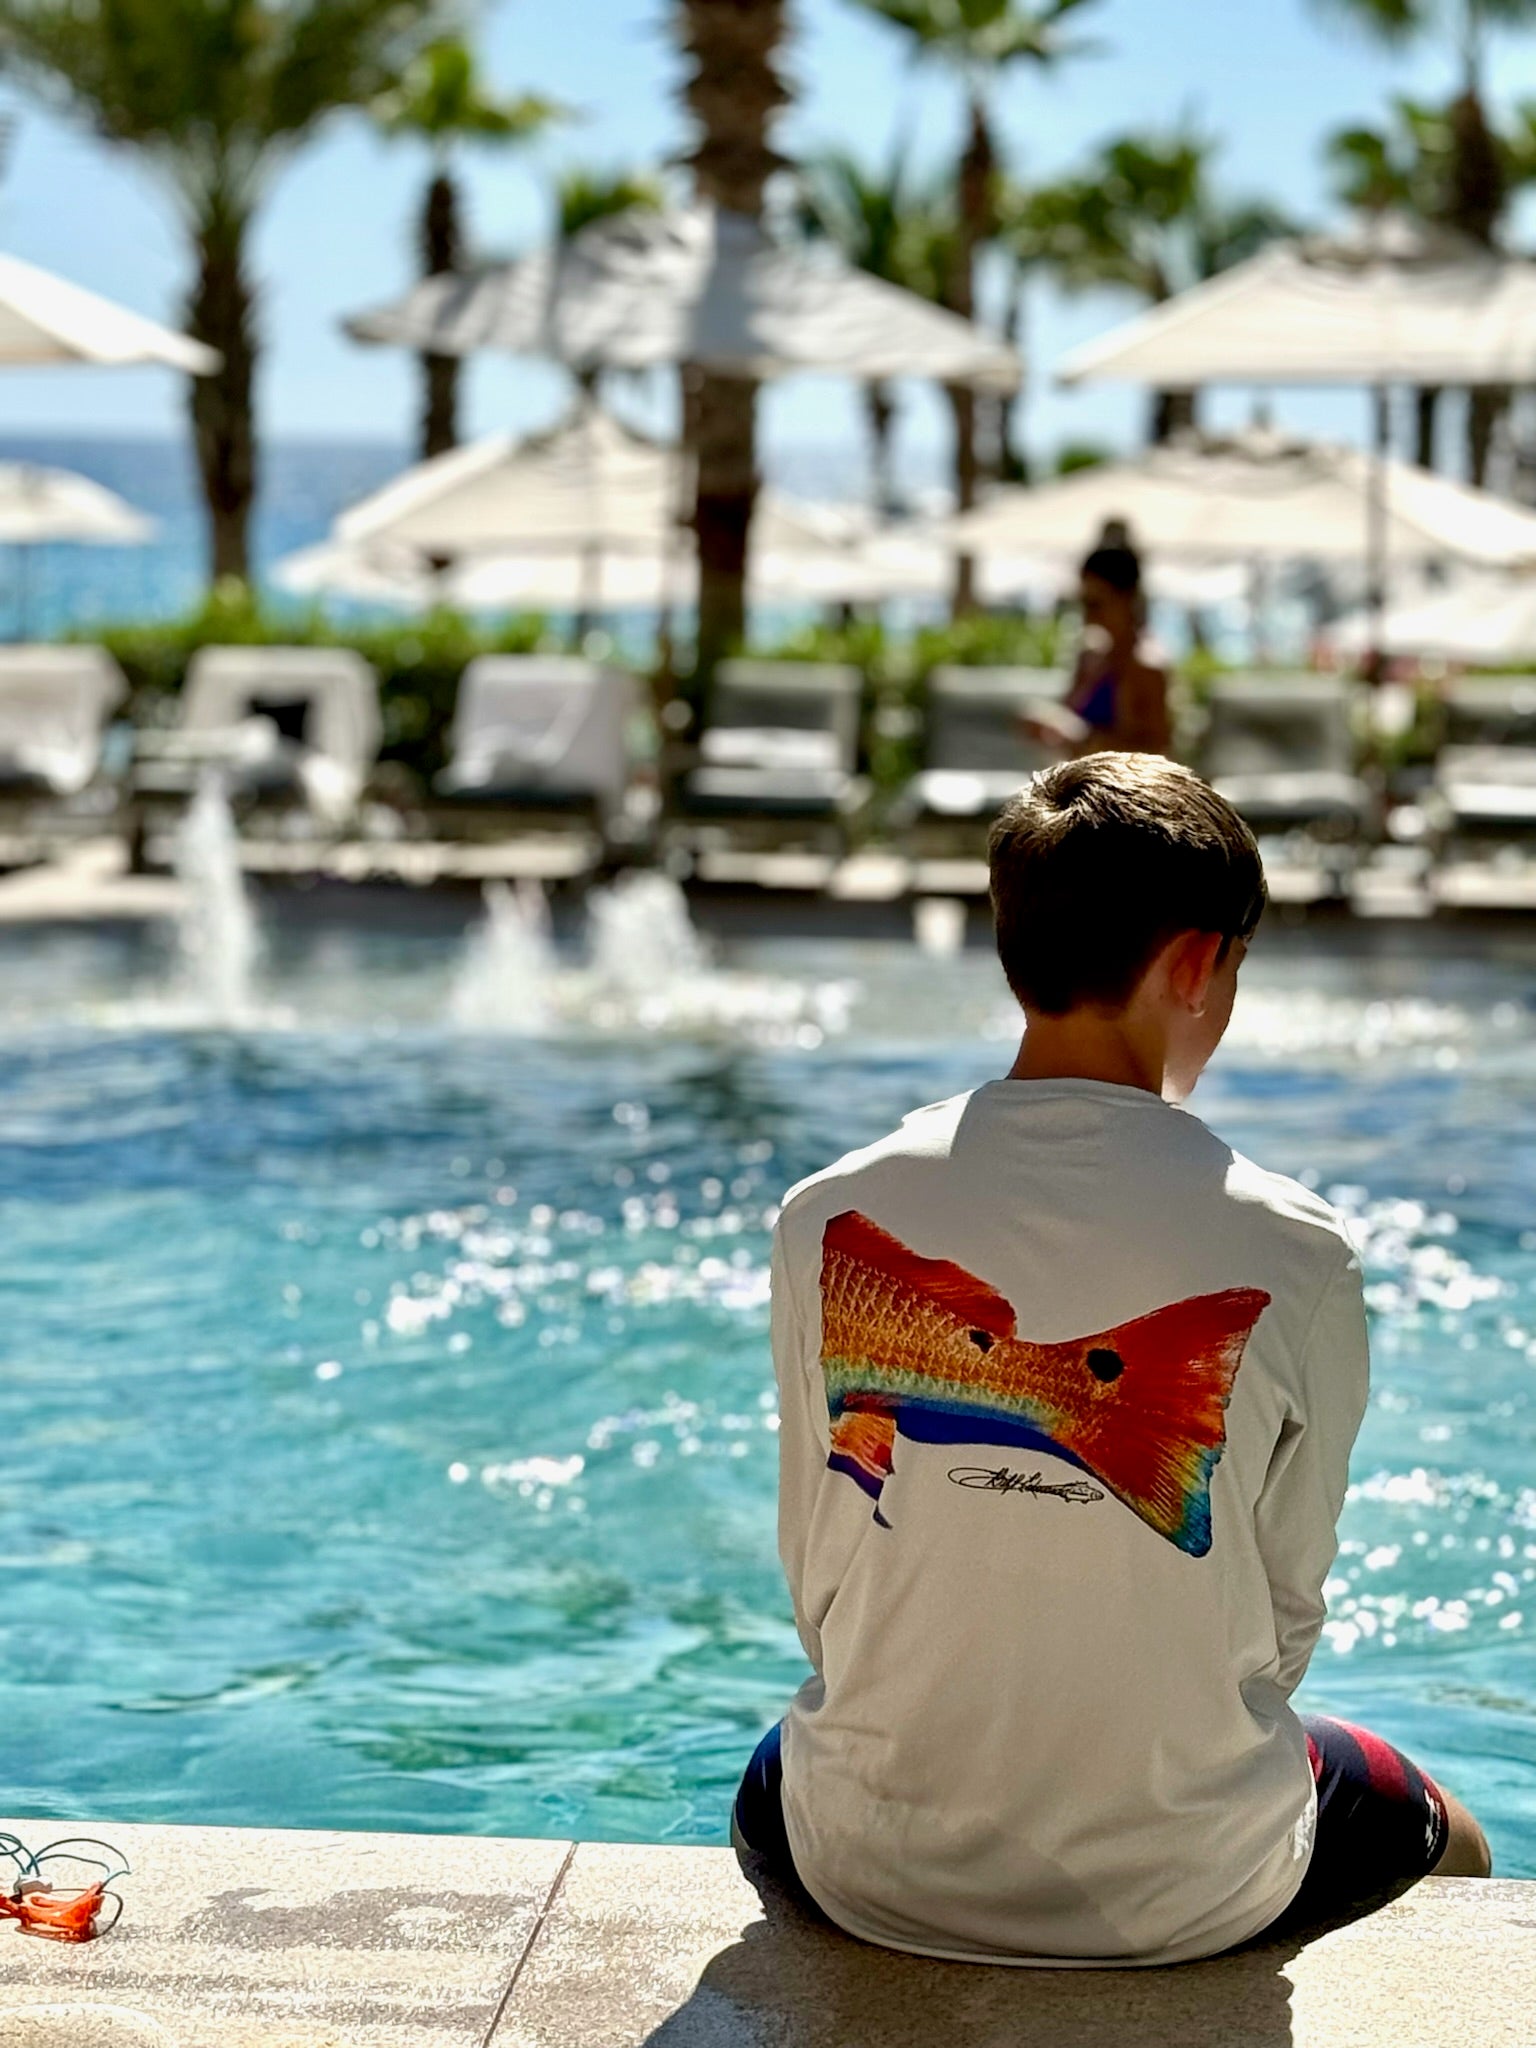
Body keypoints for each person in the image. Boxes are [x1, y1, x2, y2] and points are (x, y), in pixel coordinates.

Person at [735, 753, 1489, 1966]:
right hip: (1191, 1888)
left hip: (861, 1864)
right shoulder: (1293, 1248)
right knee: (1451, 1830)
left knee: (786, 1756)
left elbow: (822, 1579)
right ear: (1197, 963)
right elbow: (1282, 1625)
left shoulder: (825, 1215)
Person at [1025, 532, 1172, 758]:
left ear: (1126, 598)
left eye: (1095, 604)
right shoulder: (1091, 658)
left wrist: (1084, 739)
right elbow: (1069, 721)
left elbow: (1158, 754)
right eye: (1083, 604)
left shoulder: (1147, 667)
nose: (1088, 615)